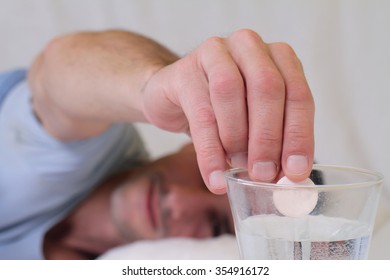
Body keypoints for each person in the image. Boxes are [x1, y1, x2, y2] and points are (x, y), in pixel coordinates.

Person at [0, 29, 315, 259]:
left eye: (216, 226)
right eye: (209, 175)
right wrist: (156, 81)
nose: (178, 201)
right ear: (189, 147)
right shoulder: (100, 141)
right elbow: (56, 74)